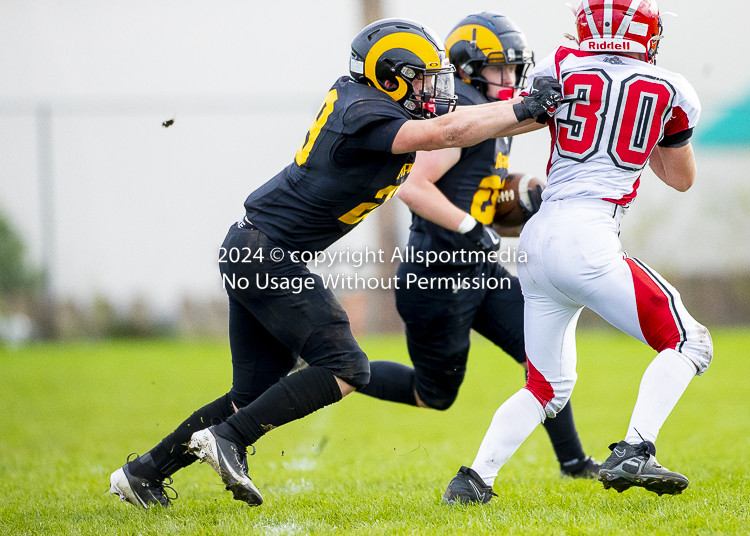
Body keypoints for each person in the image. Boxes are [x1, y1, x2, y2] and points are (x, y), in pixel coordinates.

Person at [107, 17, 562, 508]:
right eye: (423, 78)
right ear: (390, 77)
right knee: (347, 366)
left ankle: (144, 473)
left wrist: (550, 108)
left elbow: (456, 126)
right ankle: (229, 440)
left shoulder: (368, 100)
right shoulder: (366, 112)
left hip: (253, 248)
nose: (435, 88)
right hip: (266, 254)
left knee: (252, 392)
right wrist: (523, 105)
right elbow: (447, 131)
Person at [442, 0, 713, 504]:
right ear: (646, 32)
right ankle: (636, 447)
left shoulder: (559, 65)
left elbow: (514, 120)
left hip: (537, 239)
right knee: (690, 344)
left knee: (546, 387)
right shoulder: (673, 88)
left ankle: (474, 479)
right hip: (588, 236)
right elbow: (681, 178)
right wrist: (644, 126)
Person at [358, 12, 600, 486]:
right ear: (468, 68)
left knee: (543, 355)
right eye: (499, 68)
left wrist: (521, 197)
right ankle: (337, 368)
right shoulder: (462, 112)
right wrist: (471, 224)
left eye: (515, 69)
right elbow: (411, 185)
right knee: (434, 394)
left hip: (478, 270)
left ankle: (574, 463)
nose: (510, 79)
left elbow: (477, 191)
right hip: (437, 272)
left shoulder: (494, 115)